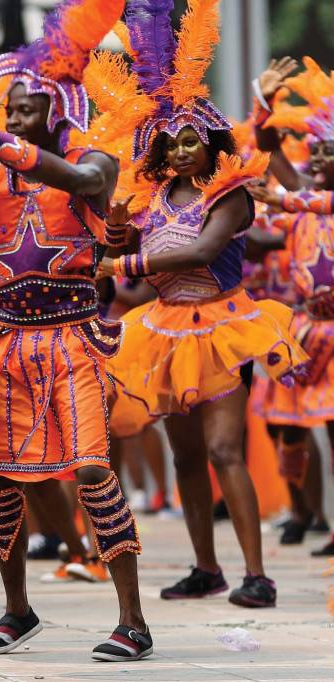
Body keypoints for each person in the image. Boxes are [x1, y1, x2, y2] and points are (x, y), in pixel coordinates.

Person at [0, 0, 152, 661]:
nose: (11, 117)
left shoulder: (92, 160)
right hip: (3, 340)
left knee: (94, 470)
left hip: (73, 339)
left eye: (25, 108)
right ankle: (17, 610)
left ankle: (132, 620)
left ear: (58, 108)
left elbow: (69, 178)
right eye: (6, 109)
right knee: (5, 478)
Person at [100, 0, 307, 608]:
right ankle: (205, 567)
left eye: (192, 139)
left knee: (223, 450)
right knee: (185, 454)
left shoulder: (233, 193)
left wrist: (127, 262)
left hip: (222, 324)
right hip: (163, 329)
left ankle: (257, 574)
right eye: (172, 142)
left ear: (209, 141)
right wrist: (115, 228)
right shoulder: (149, 196)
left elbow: (201, 252)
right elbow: (116, 248)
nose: (183, 149)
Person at [250, 56, 334, 556]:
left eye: (329, 152)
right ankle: (301, 511)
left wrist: (287, 202)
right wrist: (263, 107)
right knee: (286, 426)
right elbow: (267, 147)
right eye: (316, 150)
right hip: (303, 329)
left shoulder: (303, 201)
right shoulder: (302, 195)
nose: (316, 159)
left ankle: (324, 516)